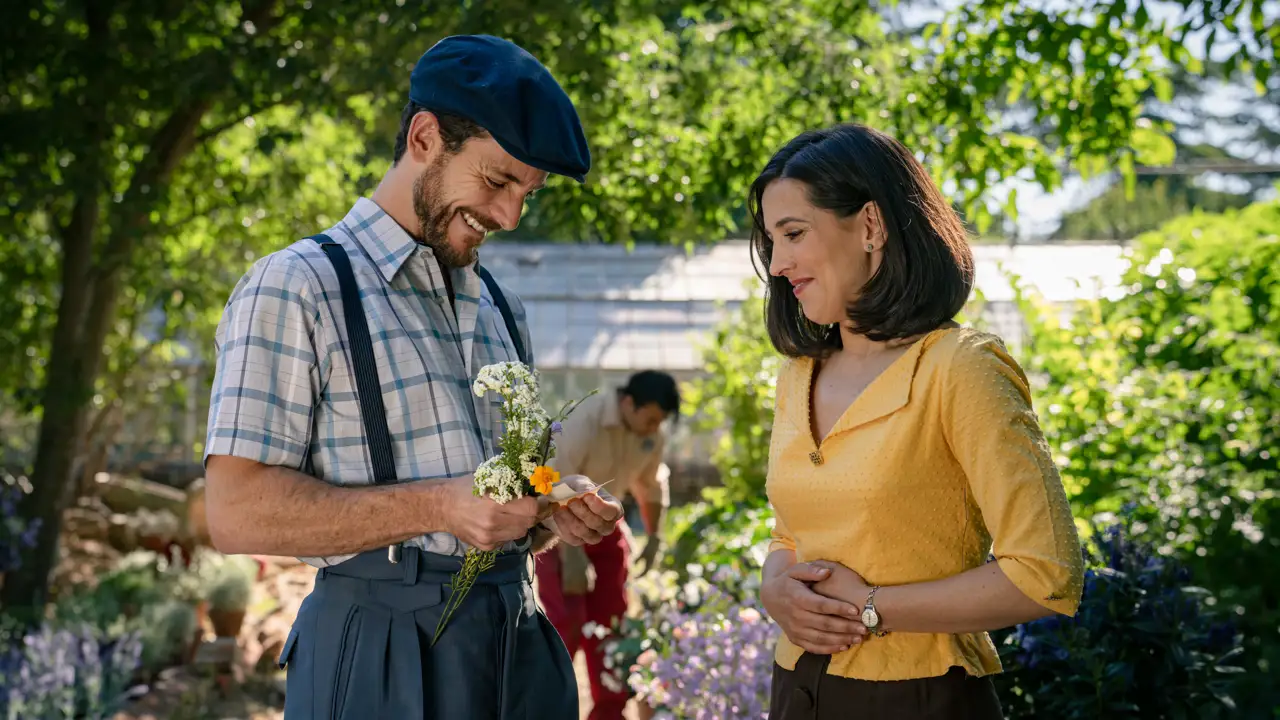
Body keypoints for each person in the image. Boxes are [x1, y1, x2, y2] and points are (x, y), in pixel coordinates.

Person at [201, 35, 624, 719]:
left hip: (518, 645)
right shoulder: (299, 286)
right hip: (379, 652)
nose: (509, 216)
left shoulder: (500, 309)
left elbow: (500, 497)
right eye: (496, 181)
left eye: (527, 193)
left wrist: (552, 504)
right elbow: (234, 511)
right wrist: (440, 506)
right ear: (425, 136)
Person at [750, 124, 1084, 719]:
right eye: (772, 241)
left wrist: (873, 606)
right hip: (797, 688)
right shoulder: (798, 374)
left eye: (794, 234)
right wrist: (775, 588)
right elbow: (794, 533)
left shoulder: (961, 369)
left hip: (919, 696)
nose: (777, 264)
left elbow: (1045, 573)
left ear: (872, 226)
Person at [535, 370, 679, 720]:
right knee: (566, 622)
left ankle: (608, 712)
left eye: (659, 422)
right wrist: (571, 554)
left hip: (605, 531)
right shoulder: (584, 419)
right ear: (628, 403)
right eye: (650, 418)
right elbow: (555, 487)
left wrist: (654, 535)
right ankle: (549, 709)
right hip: (559, 527)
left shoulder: (650, 435)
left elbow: (650, 484)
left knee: (611, 623)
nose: (653, 427)